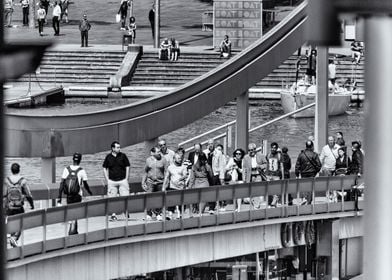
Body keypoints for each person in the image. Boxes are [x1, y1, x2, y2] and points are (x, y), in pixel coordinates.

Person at [57, 153, 92, 235]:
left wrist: (59, 197)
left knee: (71, 212)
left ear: (73, 159)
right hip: (78, 195)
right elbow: (85, 184)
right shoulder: (81, 171)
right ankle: (72, 231)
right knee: (75, 214)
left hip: (69, 195)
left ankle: (73, 231)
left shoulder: (66, 169)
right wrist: (89, 191)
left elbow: (62, 183)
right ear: (80, 160)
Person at [4, 163, 34, 247]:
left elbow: (4, 194)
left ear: (11, 170)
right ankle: (15, 237)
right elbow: (28, 195)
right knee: (21, 223)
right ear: (19, 170)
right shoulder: (23, 181)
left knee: (10, 222)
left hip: (9, 207)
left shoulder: (6, 180)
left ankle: (11, 236)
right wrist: (32, 204)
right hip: (19, 207)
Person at [102, 141, 130, 221]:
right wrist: (107, 179)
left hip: (122, 181)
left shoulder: (123, 156)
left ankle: (125, 210)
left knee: (125, 197)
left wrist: (127, 178)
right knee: (112, 199)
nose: (119, 149)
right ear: (113, 148)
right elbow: (104, 167)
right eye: (117, 147)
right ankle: (113, 215)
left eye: (119, 147)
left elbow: (127, 166)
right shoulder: (108, 157)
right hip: (112, 181)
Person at [141, 146, 168, 220]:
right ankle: (148, 214)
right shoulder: (148, 160)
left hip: (160, 182)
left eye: (159, 151)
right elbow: (145, 171)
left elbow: (166, 172)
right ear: (152, 153)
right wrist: (143, 182)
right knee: (149, 197)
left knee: (159, 198)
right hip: (150, 182)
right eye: (158, 151)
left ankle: (158, 213)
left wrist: (166, 183)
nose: (159, 153)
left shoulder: (163, 160)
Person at [163, 152, 188, 219]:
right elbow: (167, 177)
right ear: (174, 159)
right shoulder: (170, 167)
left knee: (181, 202)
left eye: (180, 158)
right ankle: (170, 215)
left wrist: (181, 178)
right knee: (171, 201)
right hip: (172, 187)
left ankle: (180, 214)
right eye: (178, 158)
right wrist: (164, 187)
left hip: (181, 187)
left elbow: (185, 175)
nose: (180, 159)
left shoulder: (183, 167)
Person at [243, 143, 267, 209]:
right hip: (250, 176)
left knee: (257, 190)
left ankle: (256, 205)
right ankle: (256, 204)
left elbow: (266, 164)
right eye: (249, 150)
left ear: (255, 149)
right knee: (252, 190)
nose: (251, 151)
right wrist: (244, 179)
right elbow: (244, 168)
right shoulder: (246, 157)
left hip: (258, 174)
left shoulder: (261, 155)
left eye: (252, 150)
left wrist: (260, 166)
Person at [265, 142, 282, 207]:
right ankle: (269, 203)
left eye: (275, 148)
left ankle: (274, 203)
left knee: (276, 190)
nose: (273, 149)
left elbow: (282, 167)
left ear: (277, 148)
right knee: (269, 190)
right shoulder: (268, 155)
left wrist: (282, 177)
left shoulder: (279, 155)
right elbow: (267, 163)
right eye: (272, 147)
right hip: (269, 175)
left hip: (276, 175)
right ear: (270, 148)